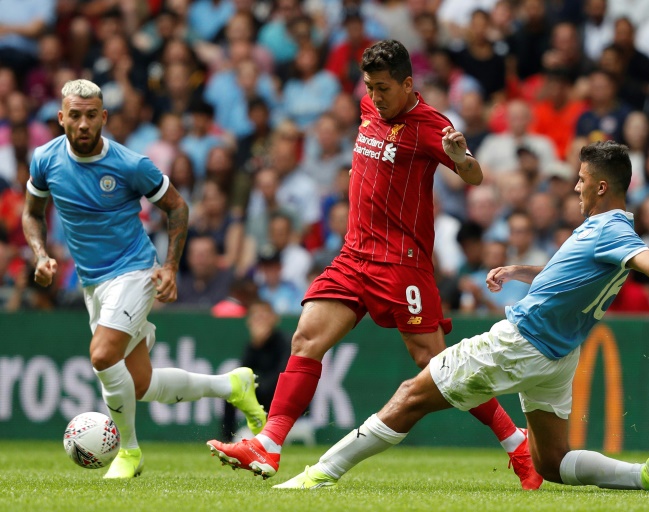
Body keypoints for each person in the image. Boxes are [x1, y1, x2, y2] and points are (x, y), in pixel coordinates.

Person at [273, 141, 649, 492]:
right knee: (552, 462)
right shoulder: (604, 232)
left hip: (520, 342)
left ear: (603, 186)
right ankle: (647, 474)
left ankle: (318, 475)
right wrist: (525, 271)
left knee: (409, 396)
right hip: (558, 355)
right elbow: (569, 275)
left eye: (582, 180)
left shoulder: (611, 232)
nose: (577, 186)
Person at [207, 40, 541, 489]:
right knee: (306, 338)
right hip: (354, 253)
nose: (377, 96)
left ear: (407, 84)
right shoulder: (368, 107)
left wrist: (462, 159)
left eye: (384, 88)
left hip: (401, 263)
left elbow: (475, 176)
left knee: (437, 365)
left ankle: (515, 441)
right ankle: (269, 442)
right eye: (370, 87)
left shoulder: (430, 125)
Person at [21, 79, 267, 479]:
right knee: (138, 385)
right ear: (61, 118)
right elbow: (32, 213)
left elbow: (177, 208)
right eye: (75, 116)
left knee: (102, 355)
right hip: (92, 284)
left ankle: (129, 451)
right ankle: (231, 386)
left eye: (91, 116)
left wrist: (169, 267)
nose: (83, 124)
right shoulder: (45, 159)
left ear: (104, 117)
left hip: (134, 270)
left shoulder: (129, 164)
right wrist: (42, 254)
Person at [221, 300, 291, 440]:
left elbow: (282, 378)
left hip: (282, 401)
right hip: (260, 395)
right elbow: (242, 374)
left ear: (274, 318)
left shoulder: (285, 342)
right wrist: (256, 345)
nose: (260, 322)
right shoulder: (252, 346)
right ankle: (227, 439)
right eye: (255, 317)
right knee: (231, 388)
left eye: (264, 316)